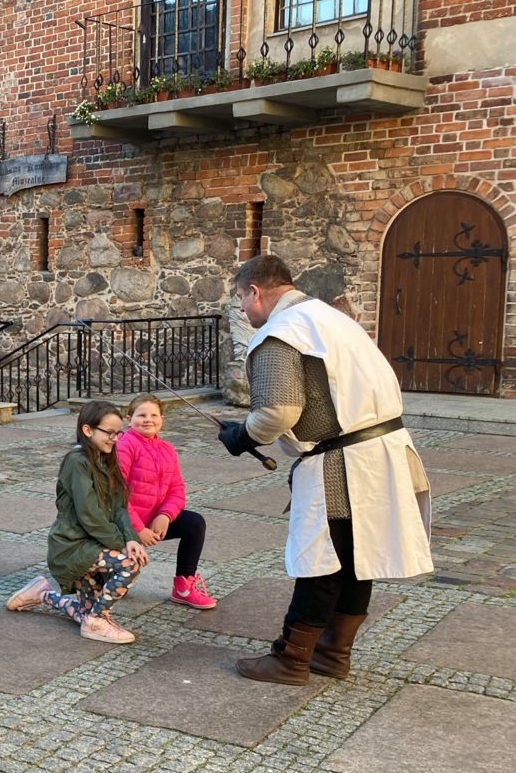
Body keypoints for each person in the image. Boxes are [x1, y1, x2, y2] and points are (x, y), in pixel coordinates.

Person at [218, 255, 432, 685]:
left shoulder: (282, 333)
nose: (242, 308)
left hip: (342, 463)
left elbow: (278, 411)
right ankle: (333, 653)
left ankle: (292, 659)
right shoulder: (332, 319)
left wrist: (242, 436)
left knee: (322, 562)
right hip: (382, 452)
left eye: (241, 298)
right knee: (357, 558)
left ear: (255, 292)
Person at [7, 400, 150, 644]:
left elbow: (119, 506)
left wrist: (131, 539)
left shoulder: (106, 458)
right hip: (72, 546)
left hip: (93, 543)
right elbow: (89, 515)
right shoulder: (77, 461)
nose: (115, 439)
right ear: (88, 430)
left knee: (85, 611)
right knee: (129, 565)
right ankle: (97, 621)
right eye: (109, 432)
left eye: (118, 433)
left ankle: (44, 595)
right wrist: (121, 545)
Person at [116, 394, 215, 609]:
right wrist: (137, 529)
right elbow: (116, 493)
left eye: (154, 415)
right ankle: (108, 573)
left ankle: (183, 586)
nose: (148, 419)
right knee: (114, 588)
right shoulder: (124, 445)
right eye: (141, 415)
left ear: (162, 419)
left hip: (153, 520)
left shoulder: (167, 449)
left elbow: (177, 489)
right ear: (129, 419)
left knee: (194, 523)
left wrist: (165, 516)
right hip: (122, 525)